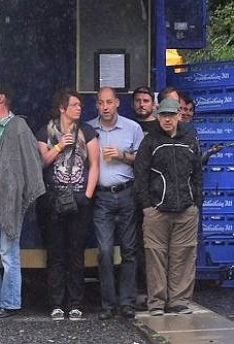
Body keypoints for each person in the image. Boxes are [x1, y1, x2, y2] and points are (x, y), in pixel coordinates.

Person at [0, 83, 45, 319]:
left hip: (9, 200)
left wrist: (22, 192)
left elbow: (32, 161)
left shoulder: (18, 127)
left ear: (2, 98)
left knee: (8, 253)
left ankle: (10, 303)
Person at [133, 98, 202, 316]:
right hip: (157, 210)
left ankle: (179, 301)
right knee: (155, 257)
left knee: (184, 255)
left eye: (171, 115)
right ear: (158, 116)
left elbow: (198, 173)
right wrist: (146, 206)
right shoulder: (150, 140)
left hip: (185, 209)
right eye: (163, 115)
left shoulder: (191, 139)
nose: (167, 120)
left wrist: (196, 203)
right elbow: (140, 174)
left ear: (179, 116)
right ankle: (156, 303)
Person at [36, 88, 100, 321]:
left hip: (79, 200)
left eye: (80, 105)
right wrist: (59, 146)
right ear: (62, 108)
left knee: (76, 253)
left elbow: (95, 164)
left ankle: (75, 303)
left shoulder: (87, 132)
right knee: (55, 253)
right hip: (53, 200)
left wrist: (88, 195)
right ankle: (55, 302)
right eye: (74, 105)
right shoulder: (46, 131)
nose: (78, 108)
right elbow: (41, 162)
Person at [87, 87, 144, 320]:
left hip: (126, 193)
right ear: (97, 105)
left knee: (130, 251)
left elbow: (142, 161)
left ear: (117, 103)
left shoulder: (133, 128)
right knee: (105, 250)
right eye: (101, 103)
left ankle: (127, 303)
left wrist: (122, 155)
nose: (106, 107)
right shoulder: (89, 129)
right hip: (101, 196)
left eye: (109, 102)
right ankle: (108, 304)